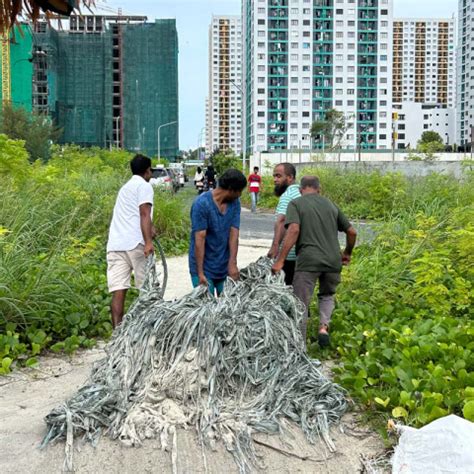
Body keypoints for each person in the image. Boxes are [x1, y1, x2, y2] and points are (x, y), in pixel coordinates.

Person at [271, 176, 357, 349]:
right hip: (333, 260)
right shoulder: (331, 205)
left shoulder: (296, 204)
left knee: (300, 302)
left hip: (308, 261)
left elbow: (293, 230)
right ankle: (323, 327)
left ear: (301, 190)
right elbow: (352, 231)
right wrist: (347, 252)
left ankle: (299, 346)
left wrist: (280, 260)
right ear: (319, 189)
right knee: (327, 295)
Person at [106, 154, 156, 328]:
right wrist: (148, 241)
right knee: (147, 290)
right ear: (147, 171)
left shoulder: (125, 188)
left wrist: (151, 228)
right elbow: (144, 213)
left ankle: (117, 336)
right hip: (136, 244)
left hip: (115, 245)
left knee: (118, 291)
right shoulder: (144, 186)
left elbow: (133, 215)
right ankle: (147, 331)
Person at [189, 168, 247, 296]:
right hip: (203, 267)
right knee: (206, 309)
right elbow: (200, 239)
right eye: (240, 191)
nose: (240, 195)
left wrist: (232, 264)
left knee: (229, 307)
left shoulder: (235, 203)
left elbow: (234, 234)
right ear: (231, 189)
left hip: (224, 266)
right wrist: (200, 273)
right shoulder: (201, 204)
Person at [267, 163, 301, 285]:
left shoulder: (287, 196)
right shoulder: (300, 193)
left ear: (290, 177)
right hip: (300, 255)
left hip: (288, 256)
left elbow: (281, 222)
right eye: (274, 176)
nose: (275, 180)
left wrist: (275, 246)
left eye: (278, 176)